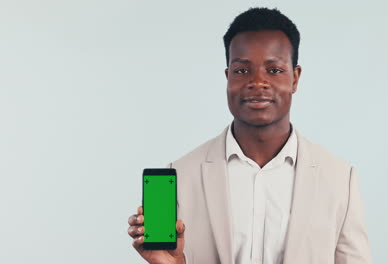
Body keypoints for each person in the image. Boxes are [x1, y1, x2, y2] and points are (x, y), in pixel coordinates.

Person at [128, 7, 371, 264]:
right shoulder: (182, 174)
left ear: (295, 78)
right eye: (242, 71)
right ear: (227, 77)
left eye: (274, 70)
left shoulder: (339, 179)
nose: (257, 82)